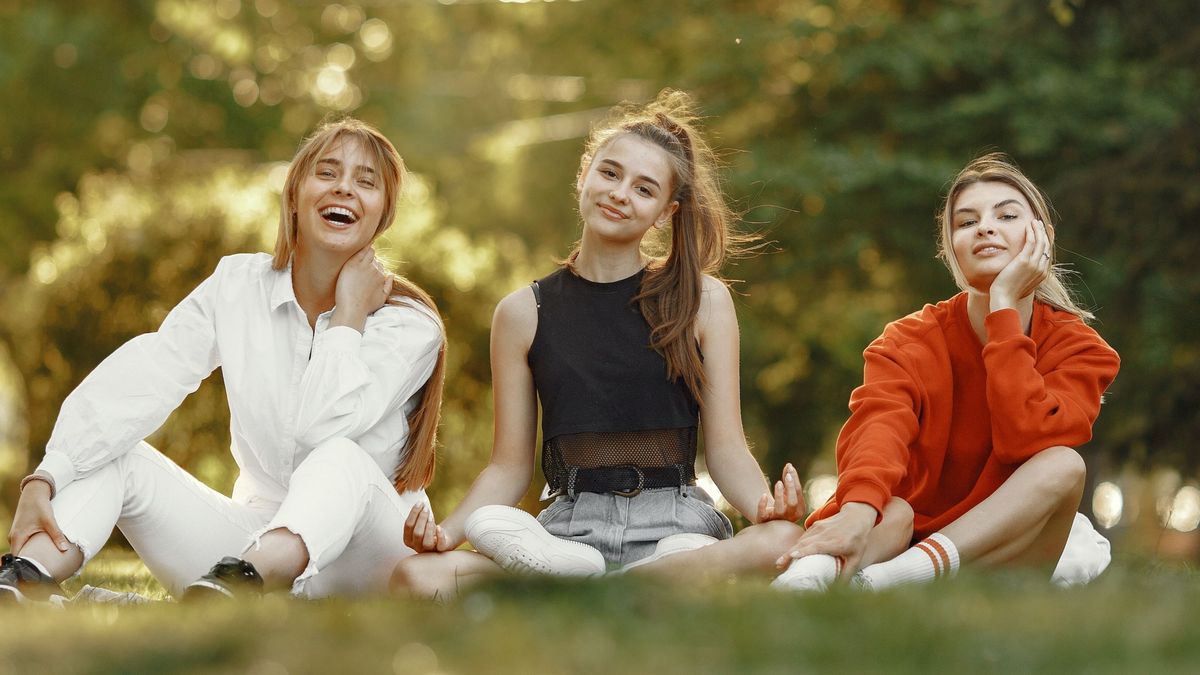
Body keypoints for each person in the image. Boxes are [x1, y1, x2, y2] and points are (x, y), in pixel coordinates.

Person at [392, 90, 865, 599]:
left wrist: (764, 510)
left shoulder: (703, 300)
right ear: (584, 175)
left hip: (676, 527)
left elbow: (726, 448)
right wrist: (448, 533)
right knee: (415, 577)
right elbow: (509, 466)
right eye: (610, 173)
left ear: (666, 212)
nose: (620, 193)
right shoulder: (521, 313)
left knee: (782, 540)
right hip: (568, 533)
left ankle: (597, 588)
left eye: (644, 189)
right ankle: (607, 583)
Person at [1, 118, 446, 602]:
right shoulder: (237, 286)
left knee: (341, 456)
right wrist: (47, 476)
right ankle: (24, 581)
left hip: (366, 559)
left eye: (366, 182)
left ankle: (239, 584)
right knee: (117, 454)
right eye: (328, 172)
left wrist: (350, 315)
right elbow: (147, 373)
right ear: (295, 192)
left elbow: (326, 428)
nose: (344, 189)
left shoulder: (409, 324)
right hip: (248, 551)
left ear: (383, 215)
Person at [773, 153, 1120, 591]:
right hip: (906, 532)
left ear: (1043, 238)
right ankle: (807, 579)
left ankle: (888, 582)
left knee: (1064, 466)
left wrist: (1004, 310)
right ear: (951, 248)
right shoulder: (907, 340)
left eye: (1007, 215)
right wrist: (858, 509)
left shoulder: (1082, 350)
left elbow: (1024, 439)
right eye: (966, 221)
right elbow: (879, 431)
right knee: (891, 509)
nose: (985, 228)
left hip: (1005, 546)